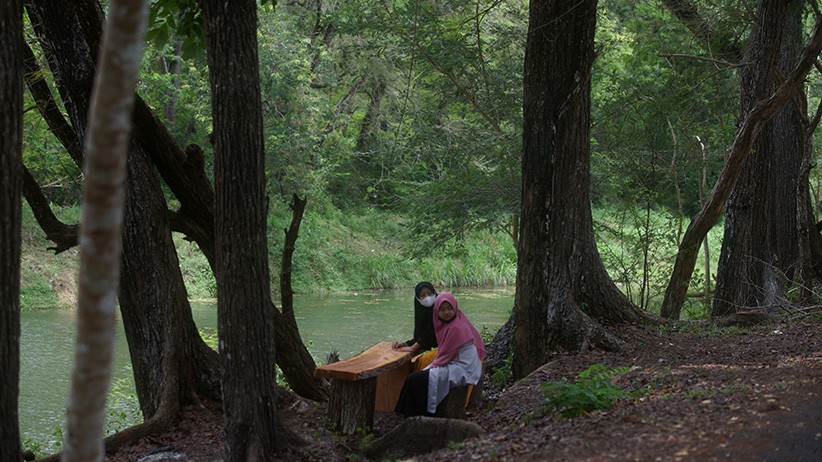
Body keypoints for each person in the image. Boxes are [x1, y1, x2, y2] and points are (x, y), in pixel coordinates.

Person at [394, 292, 486, 417]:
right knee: (416, 379)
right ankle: (411, 414)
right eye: (442, 309)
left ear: (455, 308)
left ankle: (417, 415)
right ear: (436, 311)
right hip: (457, 363)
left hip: (463, 369)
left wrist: (428, 369)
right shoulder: (451, 324)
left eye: (449, 308)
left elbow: (444, 357)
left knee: (416, 379)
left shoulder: (456, 328)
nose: (446, 312)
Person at [392, 282, 438, 370]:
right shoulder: (422, 312)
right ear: (417, 299)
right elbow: (420, 336)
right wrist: (405, 344)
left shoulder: (440, 309)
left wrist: (412, 348)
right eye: (423, 295)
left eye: (430, 293)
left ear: (435, 293)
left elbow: (431, 333)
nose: (427, 298)